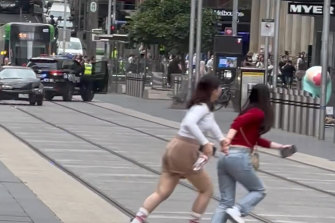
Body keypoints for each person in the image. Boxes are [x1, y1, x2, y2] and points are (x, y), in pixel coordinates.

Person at [131, 74, 225, 223]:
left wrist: (222, 140)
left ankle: (138, 220)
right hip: (186, 151)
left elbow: (212, 125)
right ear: (213, 90)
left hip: (174, 148)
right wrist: (205, 143)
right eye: (219, 88)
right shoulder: (202, 107)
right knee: (206, 190)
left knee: (163, 192)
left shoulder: (204, 107)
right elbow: (188, 123)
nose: (220, 91)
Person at [211, 84, 294, 223]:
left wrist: (280, 147)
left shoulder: (246, 111)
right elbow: (237, 123)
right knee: (259, 190)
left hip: (225, 158)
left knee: (225, 202)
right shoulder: (258, 113)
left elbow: (256, 140)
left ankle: (232, 210)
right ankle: (238, 210)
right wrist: (227, 139)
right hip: (239, 157)